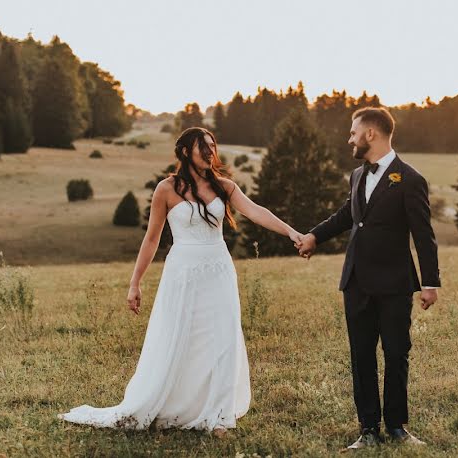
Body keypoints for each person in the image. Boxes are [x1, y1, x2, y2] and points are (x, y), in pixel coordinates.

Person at [59, 127, 304, 436]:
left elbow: (256, 212)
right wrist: (135, 283)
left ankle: (218, 416)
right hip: (183, 271)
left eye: (213, 146)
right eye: (204, 147)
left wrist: (292, 232)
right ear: (186, 151)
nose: (210, 152)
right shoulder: (166, 189)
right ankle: (176, 402)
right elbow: (151, 239)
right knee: (181, 337)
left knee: (223, 337)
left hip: (218, 269)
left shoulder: (224, 186)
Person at [296, 107, 441, 450]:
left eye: (353, 132)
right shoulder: (357, 175)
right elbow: (348, 214)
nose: (349, 138)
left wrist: (430, 282)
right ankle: (368, 430)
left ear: (371, 134)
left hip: (394, 283)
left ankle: (397, 427)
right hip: (357, 281)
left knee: (396, 353)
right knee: (361, 355)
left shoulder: (410, 179)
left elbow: (424, 235)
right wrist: (315, 236)